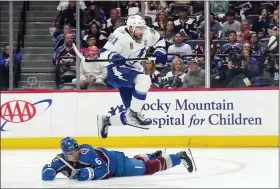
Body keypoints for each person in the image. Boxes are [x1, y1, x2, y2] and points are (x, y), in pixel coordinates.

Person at [97, 15, 166, 138]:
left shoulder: (147, 33)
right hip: (116, 71)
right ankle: (134, 113)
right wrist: (113, 56)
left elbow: (160, 40)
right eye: (138, 28)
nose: (142, 31)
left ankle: (107, 121)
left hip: (133, 71)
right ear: (131, 28)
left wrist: (160, 50)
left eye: (142, 28)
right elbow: (103, 54)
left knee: (131, 115)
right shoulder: (119, 34)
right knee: (144, 79)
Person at [42, 137, 196, 181]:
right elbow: (50, 167)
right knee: (138, 162)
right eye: (71, 153)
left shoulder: (86, 152)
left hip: (117, 165)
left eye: (76, 150)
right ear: (65, 153)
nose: (75, 154)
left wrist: (89, 174)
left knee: (146, 169)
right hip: (114, 159)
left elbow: (105, 170)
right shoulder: (61, 160)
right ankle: (152, 155)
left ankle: (178, 157)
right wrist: (48, 172)